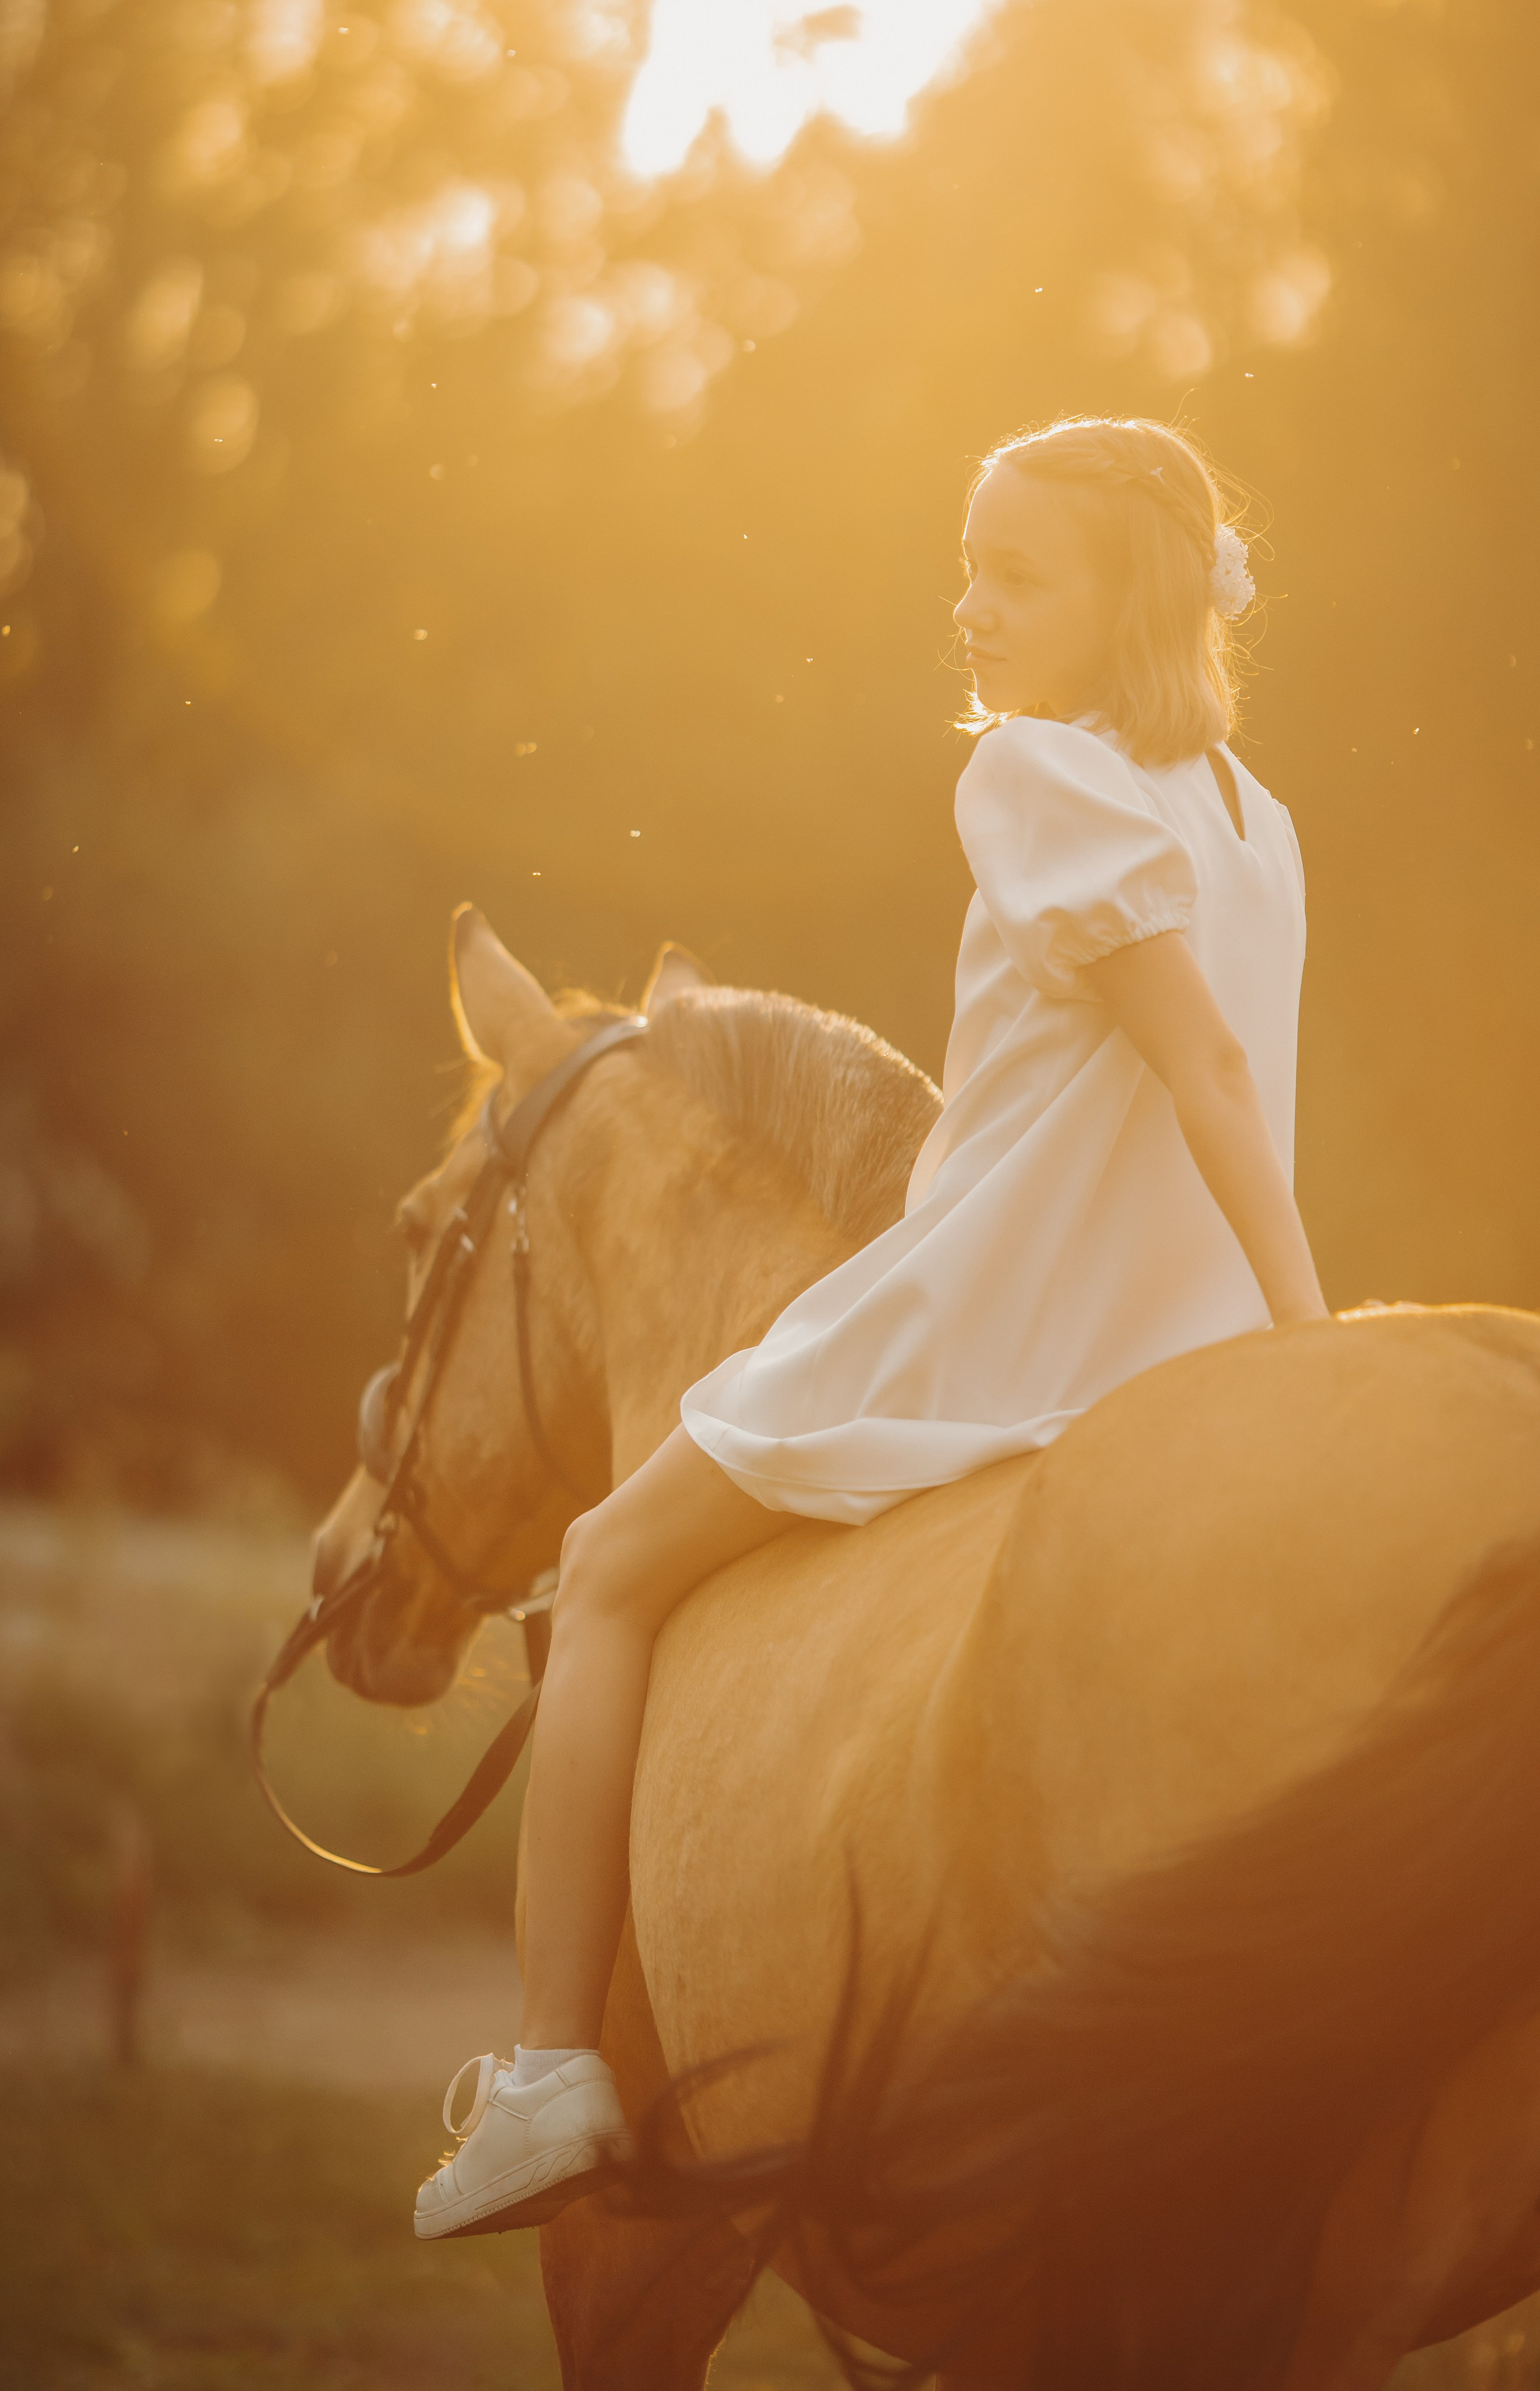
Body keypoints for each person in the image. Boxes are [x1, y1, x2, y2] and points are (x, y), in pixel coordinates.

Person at [413, 413, 1327, 2241]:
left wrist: (1319, 1335)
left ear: (1125, 599)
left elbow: (1204, 1066)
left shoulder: (1035, 779)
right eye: (966, 568)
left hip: (980, 1313)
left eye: (1016, 576)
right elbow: (1233, 1080)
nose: (971, 611)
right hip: (1179, 1341)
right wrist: (1277, 1332)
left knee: (600, 1569)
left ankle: (545, 2080)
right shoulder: (1257, 820)